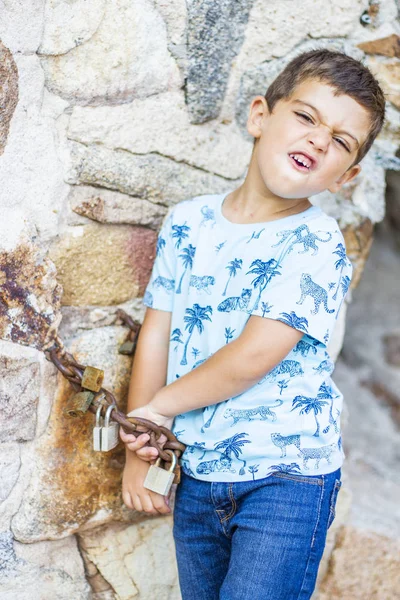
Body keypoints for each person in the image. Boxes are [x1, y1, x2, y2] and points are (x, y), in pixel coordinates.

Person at [119, 48, 386, 599]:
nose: (318, 139)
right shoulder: (187, 222)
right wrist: (138, 448)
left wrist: (158, 408)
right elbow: (157, 336)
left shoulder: (316, 244)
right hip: (199, 476)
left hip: (287, 480)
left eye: (340, 141)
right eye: (307, 117)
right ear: (260, 116)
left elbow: (254, 355)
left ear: (347, 175)